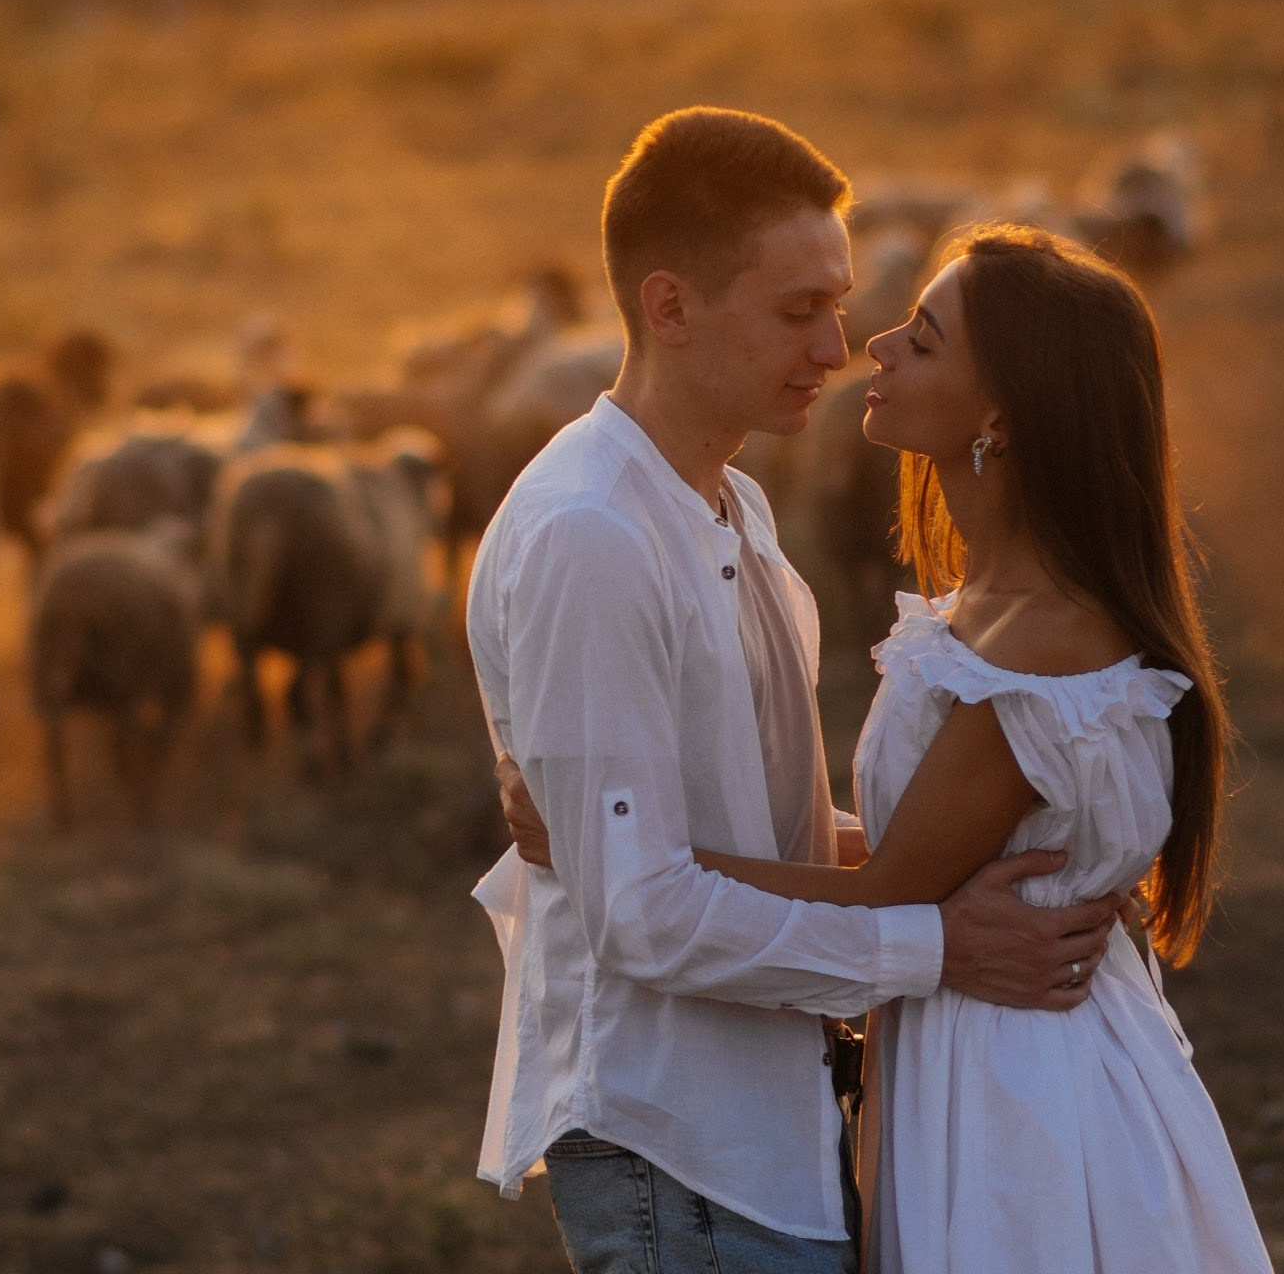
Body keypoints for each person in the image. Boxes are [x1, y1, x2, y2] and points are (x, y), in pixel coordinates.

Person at [466, 108, 1129, 1274]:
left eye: (837, 302)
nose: (839, 345)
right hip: (681, 1150)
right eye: (796, 310)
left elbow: (739, 834)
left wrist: (1004, 875)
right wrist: (940, 947)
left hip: (765, 1136)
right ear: (668, 307)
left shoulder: (730, 505)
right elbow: (643, 912)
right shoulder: (592, 535)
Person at [687, 224, 1272, 1271]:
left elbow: (886, 897)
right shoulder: (991, 616)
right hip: (983, 1049)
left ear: (999, 409)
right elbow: (924, 856)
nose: (876, 347)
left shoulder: (1039, 641)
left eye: (922, 337)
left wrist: (628, 855)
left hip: (1017, 1089)